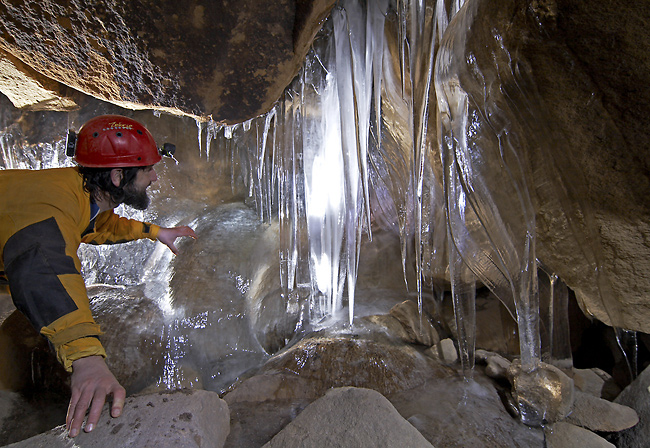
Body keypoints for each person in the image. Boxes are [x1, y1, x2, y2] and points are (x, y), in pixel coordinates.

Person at [0, 114, 197, 438]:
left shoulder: (80, 190)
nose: (156, 178)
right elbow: (47, 275)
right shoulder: (47, 215)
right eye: (148, 169)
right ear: (118, 176)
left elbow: (99, 225)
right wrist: (86, 358)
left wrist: (155, 232)